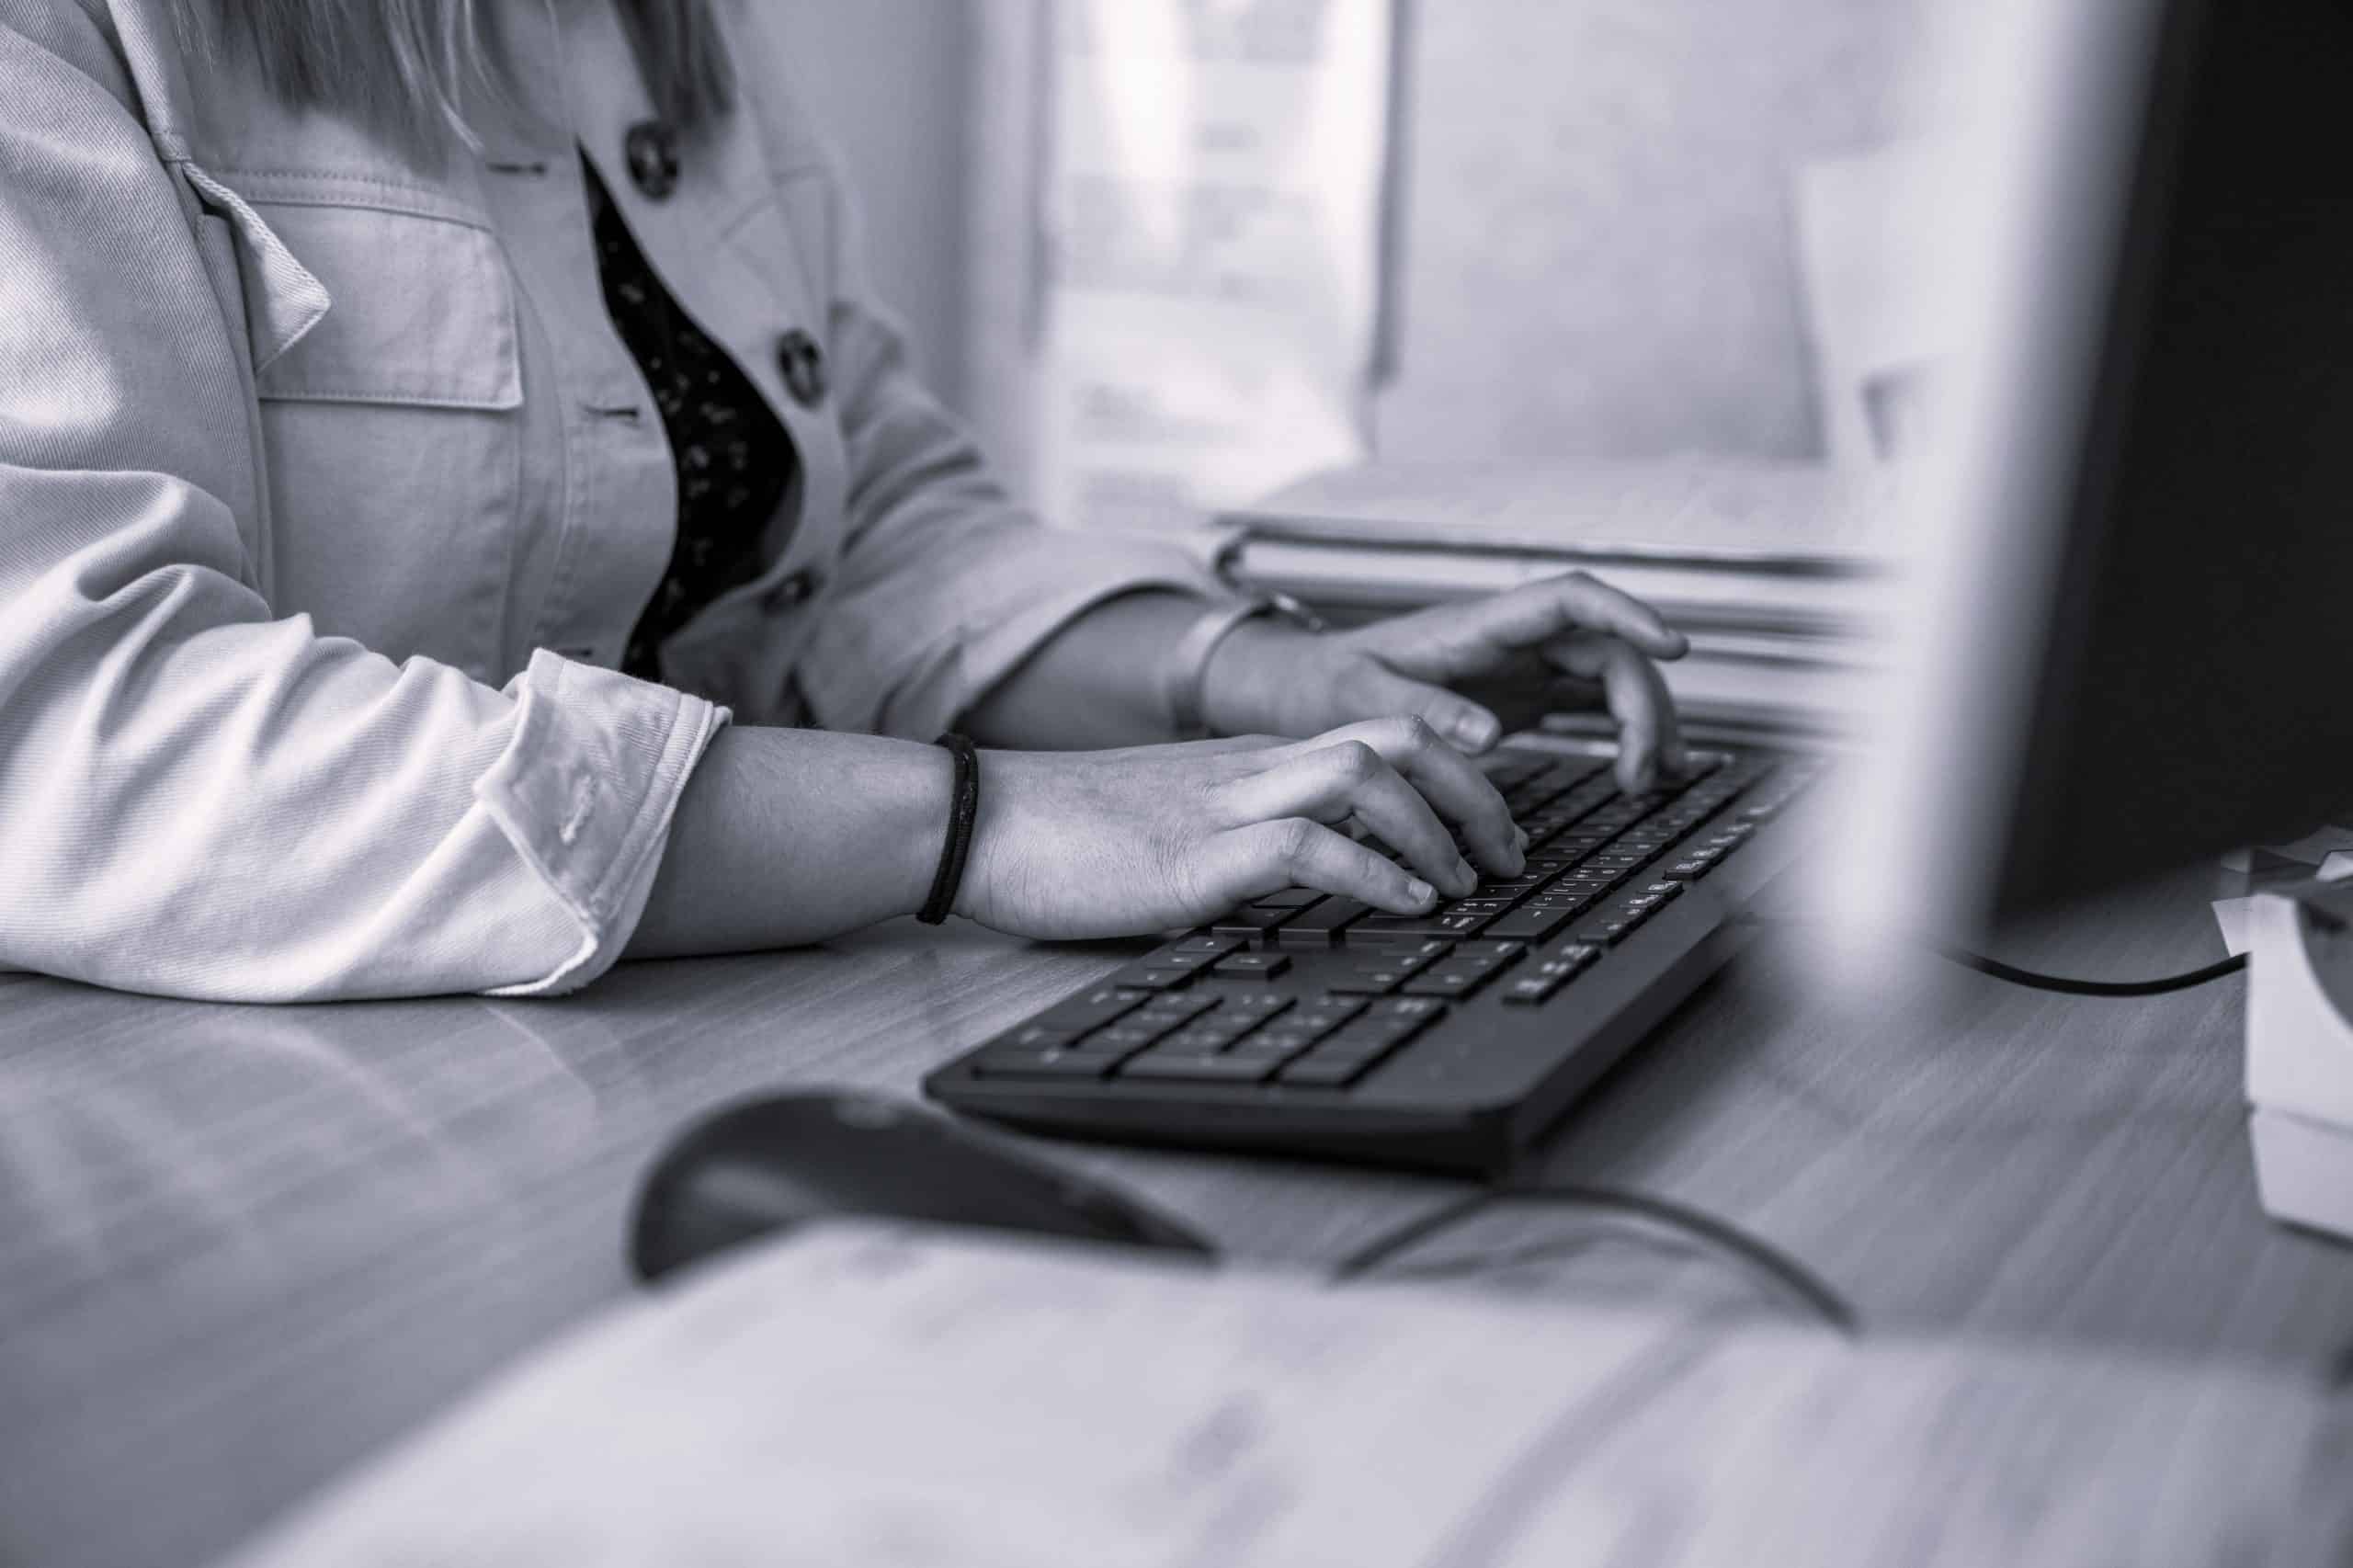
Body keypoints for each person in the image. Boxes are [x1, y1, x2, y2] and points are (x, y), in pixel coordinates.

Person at [0, 0, 1689, 1002]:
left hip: (627, 1050)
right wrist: (979, 822)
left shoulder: (664, 36)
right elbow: (77, 731)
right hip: (223, 1129)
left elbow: (864, 534)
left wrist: (1270, 675)